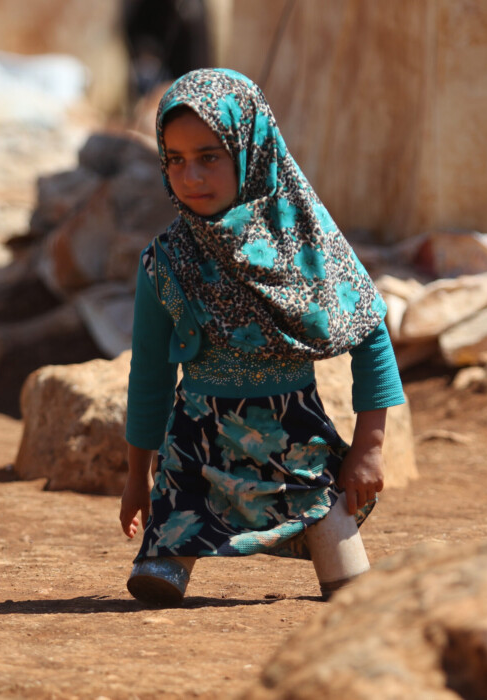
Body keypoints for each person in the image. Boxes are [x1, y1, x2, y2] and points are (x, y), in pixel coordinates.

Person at [119, 68, 404, 606]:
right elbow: (150, 373)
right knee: (162, 555)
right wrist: (138, 476)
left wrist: (369, 448)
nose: (190, 176)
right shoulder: (166, 262)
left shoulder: (306, 244)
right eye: (174, 160)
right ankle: (168, 558)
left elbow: (370, 333)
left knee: (345, 571)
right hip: (195, 444)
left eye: (209, 156)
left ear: (251, 151)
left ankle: (335, 557)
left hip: (295, 439)